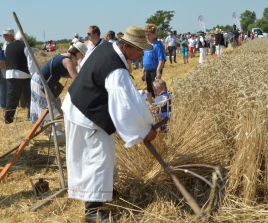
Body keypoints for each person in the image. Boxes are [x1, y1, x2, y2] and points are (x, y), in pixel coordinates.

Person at [62, 26, 157, 222]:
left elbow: (123, 93)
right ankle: (92, 211)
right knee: (98, 158)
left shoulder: (108, 47)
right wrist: (144, 130)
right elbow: (122, 106)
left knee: (93, 157)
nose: (141, 54)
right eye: (139, 49)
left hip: (78, 104)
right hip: (87, 113)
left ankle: (102, 192)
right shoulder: (117, 68)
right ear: (127, 46)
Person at [30, 42, 87, 127]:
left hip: (37, 78)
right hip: (42, 81)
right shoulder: (68, 61)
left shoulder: (62, 55)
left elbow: (61, 73)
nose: (81, 57)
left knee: (52, 103)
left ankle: (48, 127)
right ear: (77, 52)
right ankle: (48, 128)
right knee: (48, 106)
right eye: (81, 55)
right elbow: (77, 79)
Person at [4, 31, 35, 123]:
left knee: (11, 96)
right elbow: (30, 63)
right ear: (24, 39)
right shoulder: (25, 47)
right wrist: (33, 74)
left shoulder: (7, 47)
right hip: (23, 75)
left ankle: (8, 118)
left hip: (9, 74)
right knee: (29, 95)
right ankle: (31, 116)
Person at [142, 24, 166, 98]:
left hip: (155, 70)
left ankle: (159, 103)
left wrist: (158, 71)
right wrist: (143, 72)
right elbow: (145, 60)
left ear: (154, 34)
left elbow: (161, 59)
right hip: (148, 71)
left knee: (156, 89)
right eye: (146, 35)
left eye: (149, 35)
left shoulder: (158, 44)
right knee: (149, 89)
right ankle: (152, 106)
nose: (147, 37)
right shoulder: (146, 45)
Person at [0, 46, 6, 117]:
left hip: (1, 75)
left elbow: (1, 64)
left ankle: (4, 113)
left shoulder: (1, 51)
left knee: (3, 94)